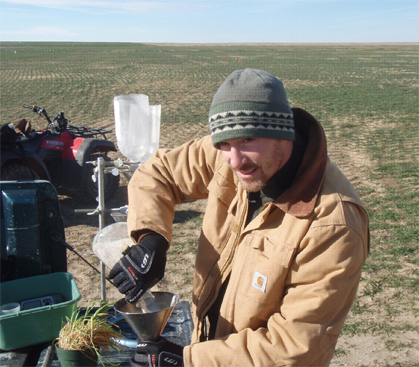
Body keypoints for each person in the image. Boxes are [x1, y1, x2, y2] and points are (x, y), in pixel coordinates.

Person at [109, 68, 370, 367]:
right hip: (211, 345)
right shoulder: (234, 155)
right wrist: (151, 240)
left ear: (281, 134)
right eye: (223, 145)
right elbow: (157, 172)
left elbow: (295, 348)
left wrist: (188, 361)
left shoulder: (333, 223)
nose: (235, 161)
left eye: (248, 140)